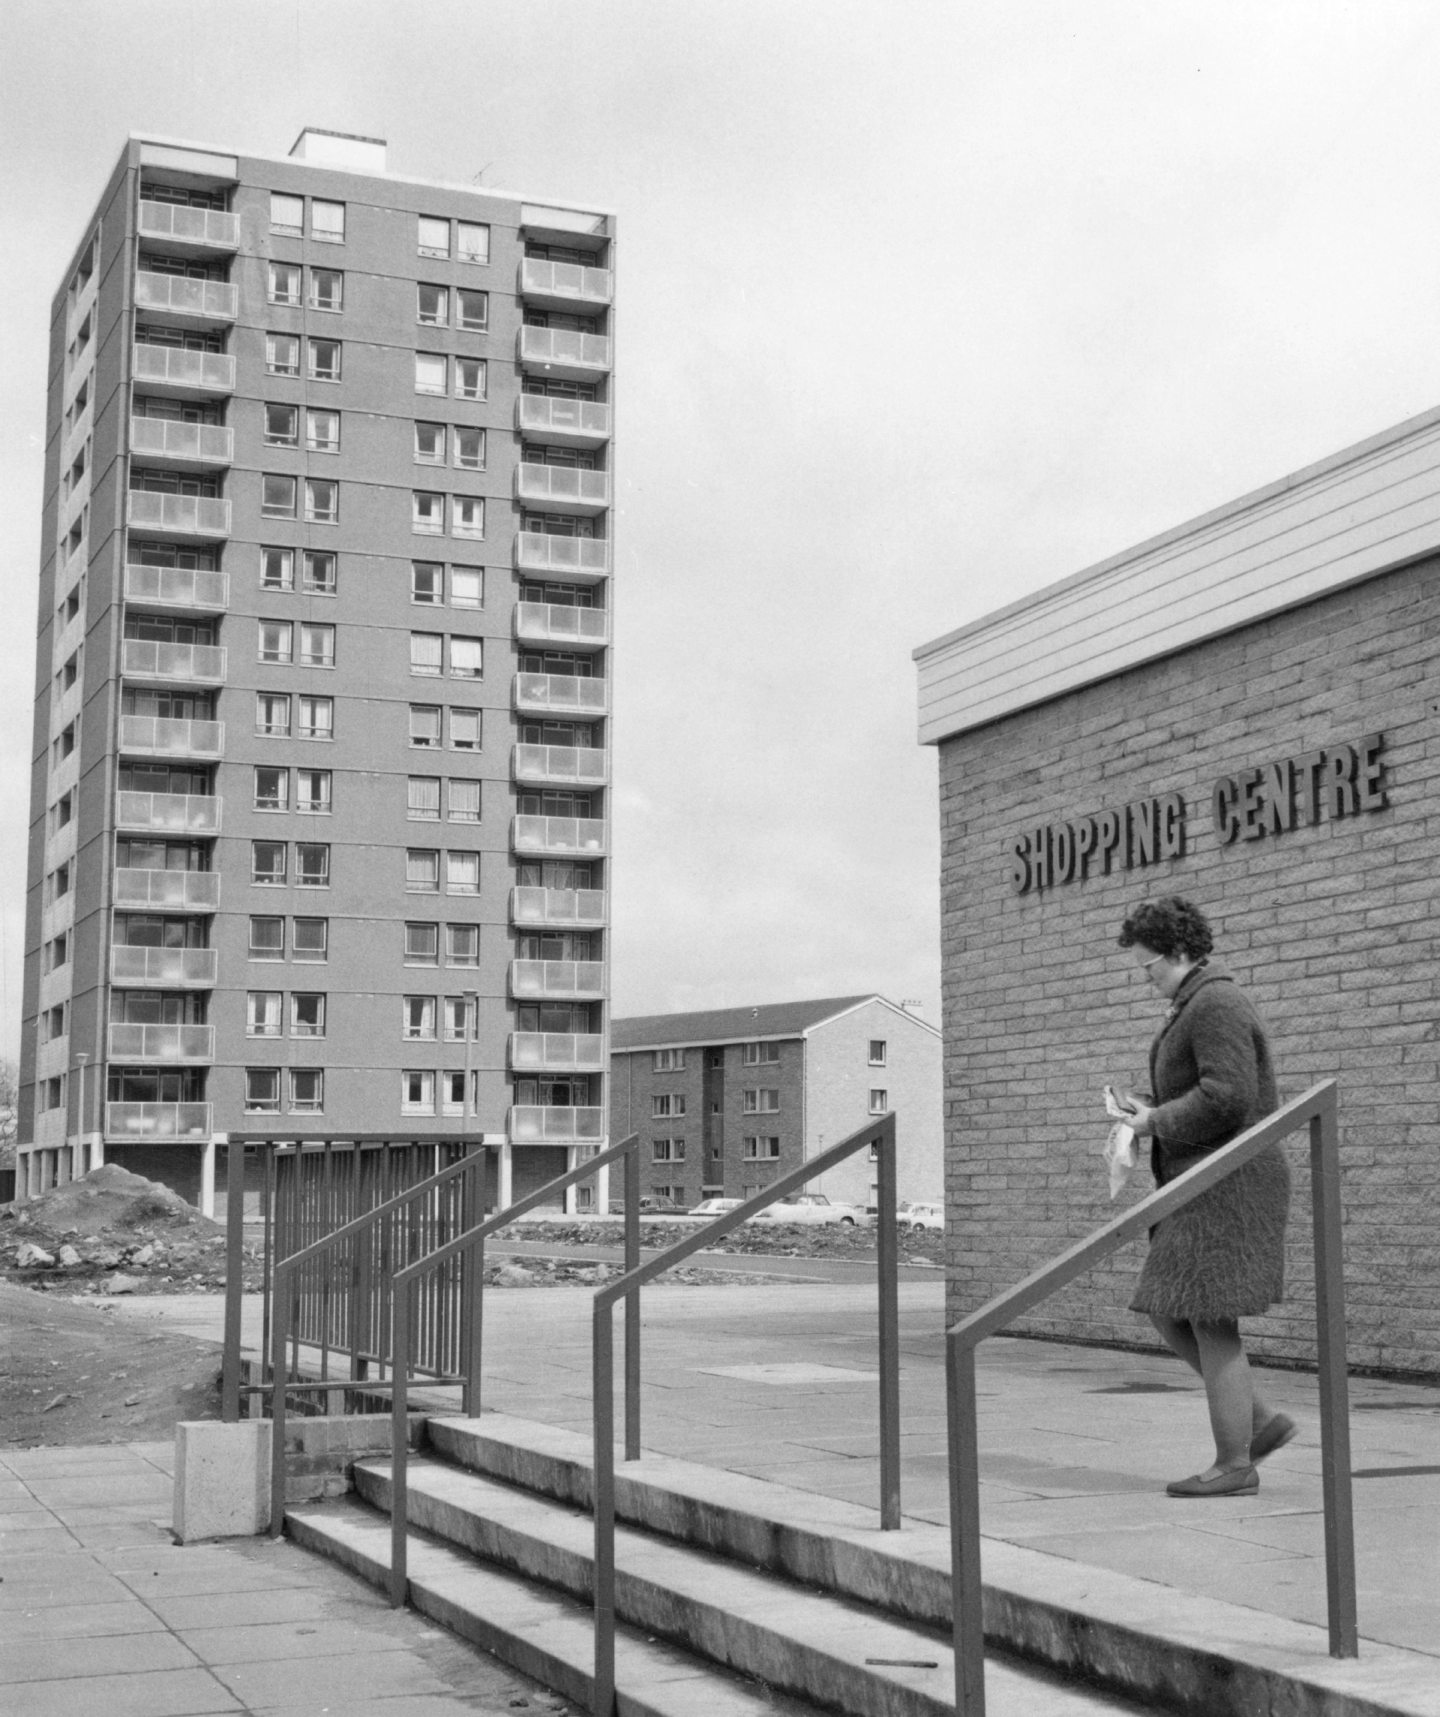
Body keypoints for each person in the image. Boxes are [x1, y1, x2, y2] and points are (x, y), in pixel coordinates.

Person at [1114, 896, 1296, 1497]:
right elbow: (1209, 1089)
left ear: (1179, 952)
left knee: (1209, 1318)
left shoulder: (1215, 1001)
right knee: (1171, 1306)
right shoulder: (1195, 1002)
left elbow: (1228, 1097)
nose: (1145, 980)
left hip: (1229, 1182)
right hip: (1208, 1180)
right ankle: (1259, 1422)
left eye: (1149, 968)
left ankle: (1234, 1463)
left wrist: (1152, 1122)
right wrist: (1151, 1109)